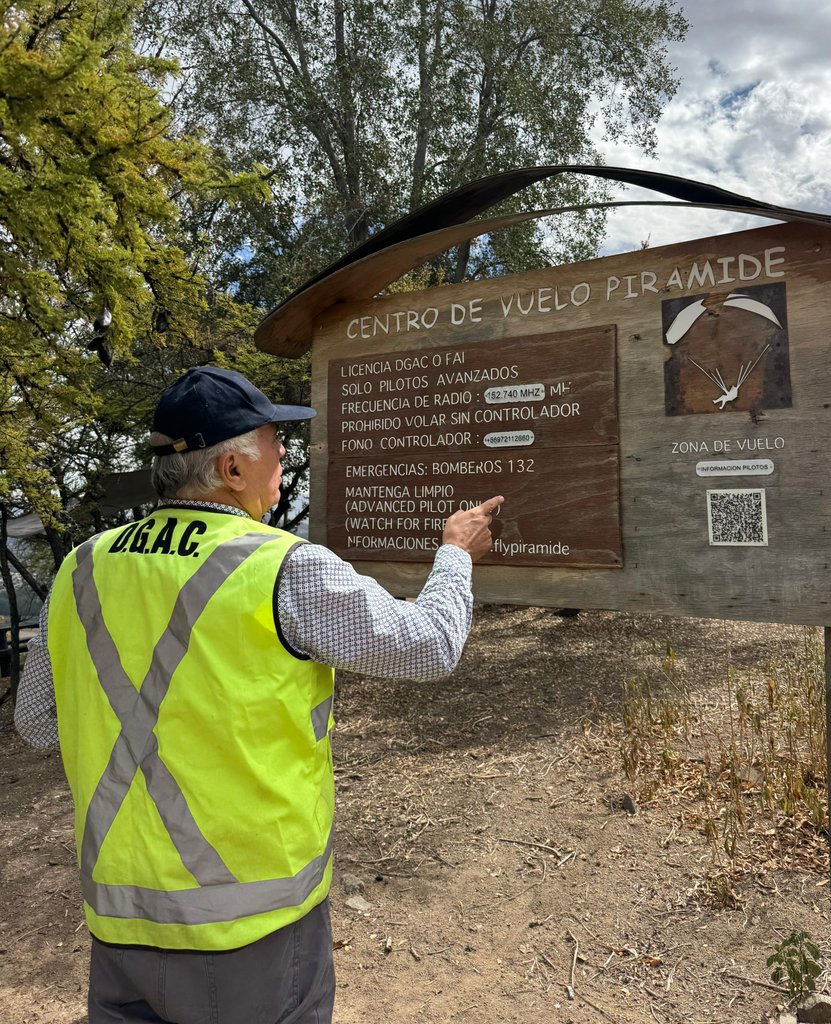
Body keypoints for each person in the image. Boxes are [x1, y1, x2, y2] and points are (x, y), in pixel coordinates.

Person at [15, 365, 502, 1024]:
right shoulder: (281, 567)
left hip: (119, 926)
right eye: (274, 440)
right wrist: (456, 554)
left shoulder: (80, 569)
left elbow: (37, 723)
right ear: (233, 471)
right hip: (252, 935)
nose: (284, 454)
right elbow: (429, 645)